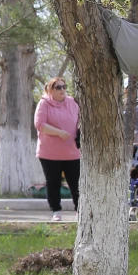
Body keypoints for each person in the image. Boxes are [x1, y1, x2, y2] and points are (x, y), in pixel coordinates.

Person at [34, 76, 80, 221]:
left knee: (76, 183)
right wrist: (59, 132)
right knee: (53, 182)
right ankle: (56, 211)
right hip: (49, 153)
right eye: (58, 87)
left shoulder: (72, 102)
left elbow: (80, 120)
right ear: (50, 90)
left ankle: (80, 210)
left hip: (71, 151)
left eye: (64, 87)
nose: (62, 90)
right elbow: (40, 124)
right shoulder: (44, 103)